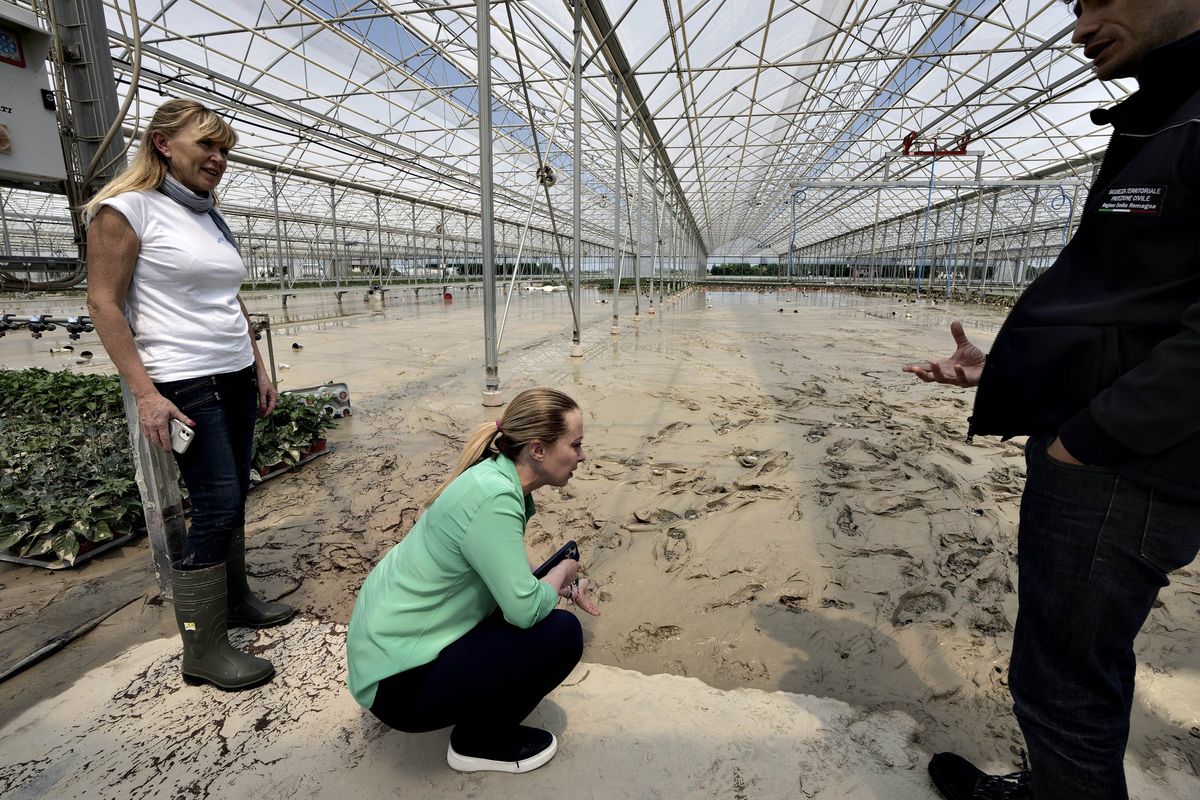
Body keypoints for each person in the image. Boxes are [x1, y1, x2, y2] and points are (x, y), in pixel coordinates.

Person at [905, 2, 1200, 798]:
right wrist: (1005, 373)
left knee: (1066, 687)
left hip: (1122, 469)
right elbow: (1137, 307)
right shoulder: (1165, 117)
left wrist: (1091, 436)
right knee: (1061, 666)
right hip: (1113, 455)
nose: (1081, 25)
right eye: (1074, 6)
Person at [86, 99, 293, 691]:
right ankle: (202, 649)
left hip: (231, 373)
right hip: (182, 379)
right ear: (162, 144)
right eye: (206, 145)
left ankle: (238, 600)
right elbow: (103, 303)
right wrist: (145, 393)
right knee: (217, 501)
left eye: (224, 149)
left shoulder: (208, 216)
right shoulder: (124, 211)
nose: (218, 158)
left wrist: (258, 365)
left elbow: (230, 299)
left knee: (235, 497)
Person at [346, 388, 600, 774]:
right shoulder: (496, 498)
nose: (582, 456)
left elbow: (499, 574)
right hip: (397, 688)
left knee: (533, 608)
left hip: (382, 660)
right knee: (562, 634)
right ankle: (478, 742)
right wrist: (562, 572)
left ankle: (470, 720)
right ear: (537, 449)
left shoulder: (488, 477)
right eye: (576, 445)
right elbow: (525, 610)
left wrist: (546, 583)